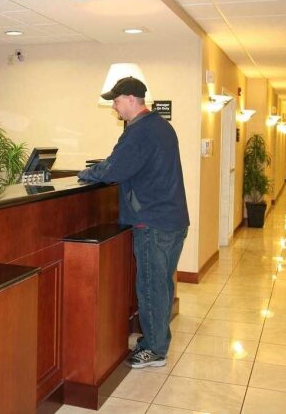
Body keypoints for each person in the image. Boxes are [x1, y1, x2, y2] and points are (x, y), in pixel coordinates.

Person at [77, 76, 189, 369]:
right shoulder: (161, 126)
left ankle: (154, 349)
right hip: (173, 219)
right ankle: (157, 340)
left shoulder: (139, 131)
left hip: (152, 221)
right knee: (162, 285)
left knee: (151, 286)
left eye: (115, 101)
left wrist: (86, 173)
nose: (113, 107)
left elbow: (114, 169)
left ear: (130, 99)